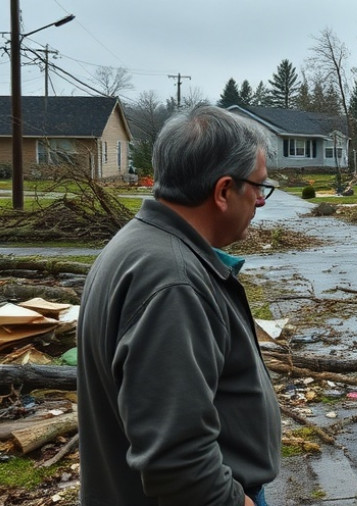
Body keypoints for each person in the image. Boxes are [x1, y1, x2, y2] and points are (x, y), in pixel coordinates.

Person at [77, 106, 281, 506]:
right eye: (258, 187)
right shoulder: (173, 281)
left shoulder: (141, 246)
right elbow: (179, 464)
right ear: (223, 191)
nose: (260, 201)